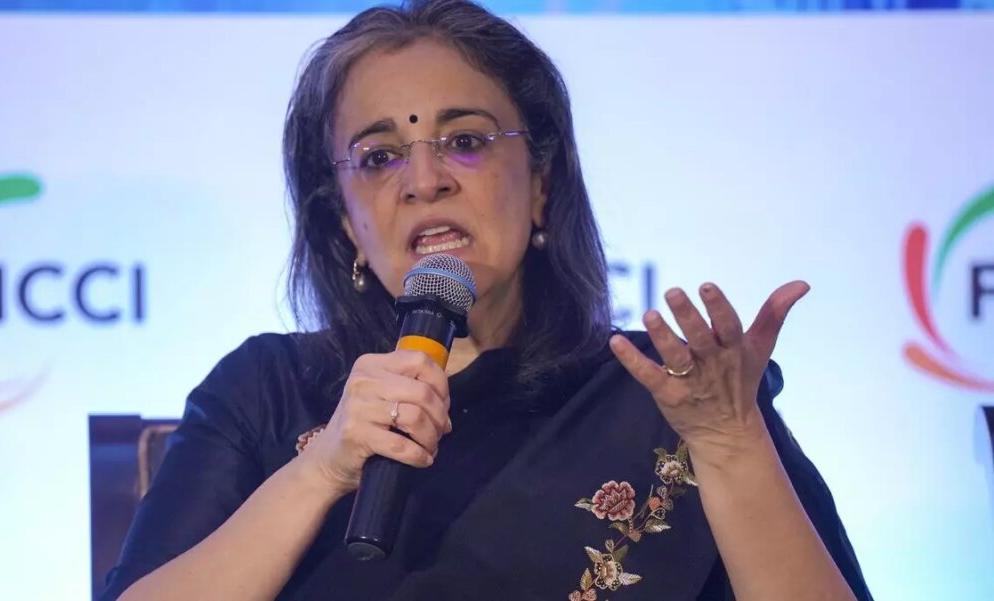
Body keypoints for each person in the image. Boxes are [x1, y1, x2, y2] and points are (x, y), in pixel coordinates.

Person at [101, 1, 872, 599]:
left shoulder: (666, 394)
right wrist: (323, 472)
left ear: (540, 184)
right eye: (379, 156)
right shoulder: (267, 391)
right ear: (345, 220)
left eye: (465, 141)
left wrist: (732, 444)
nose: (425, 178)